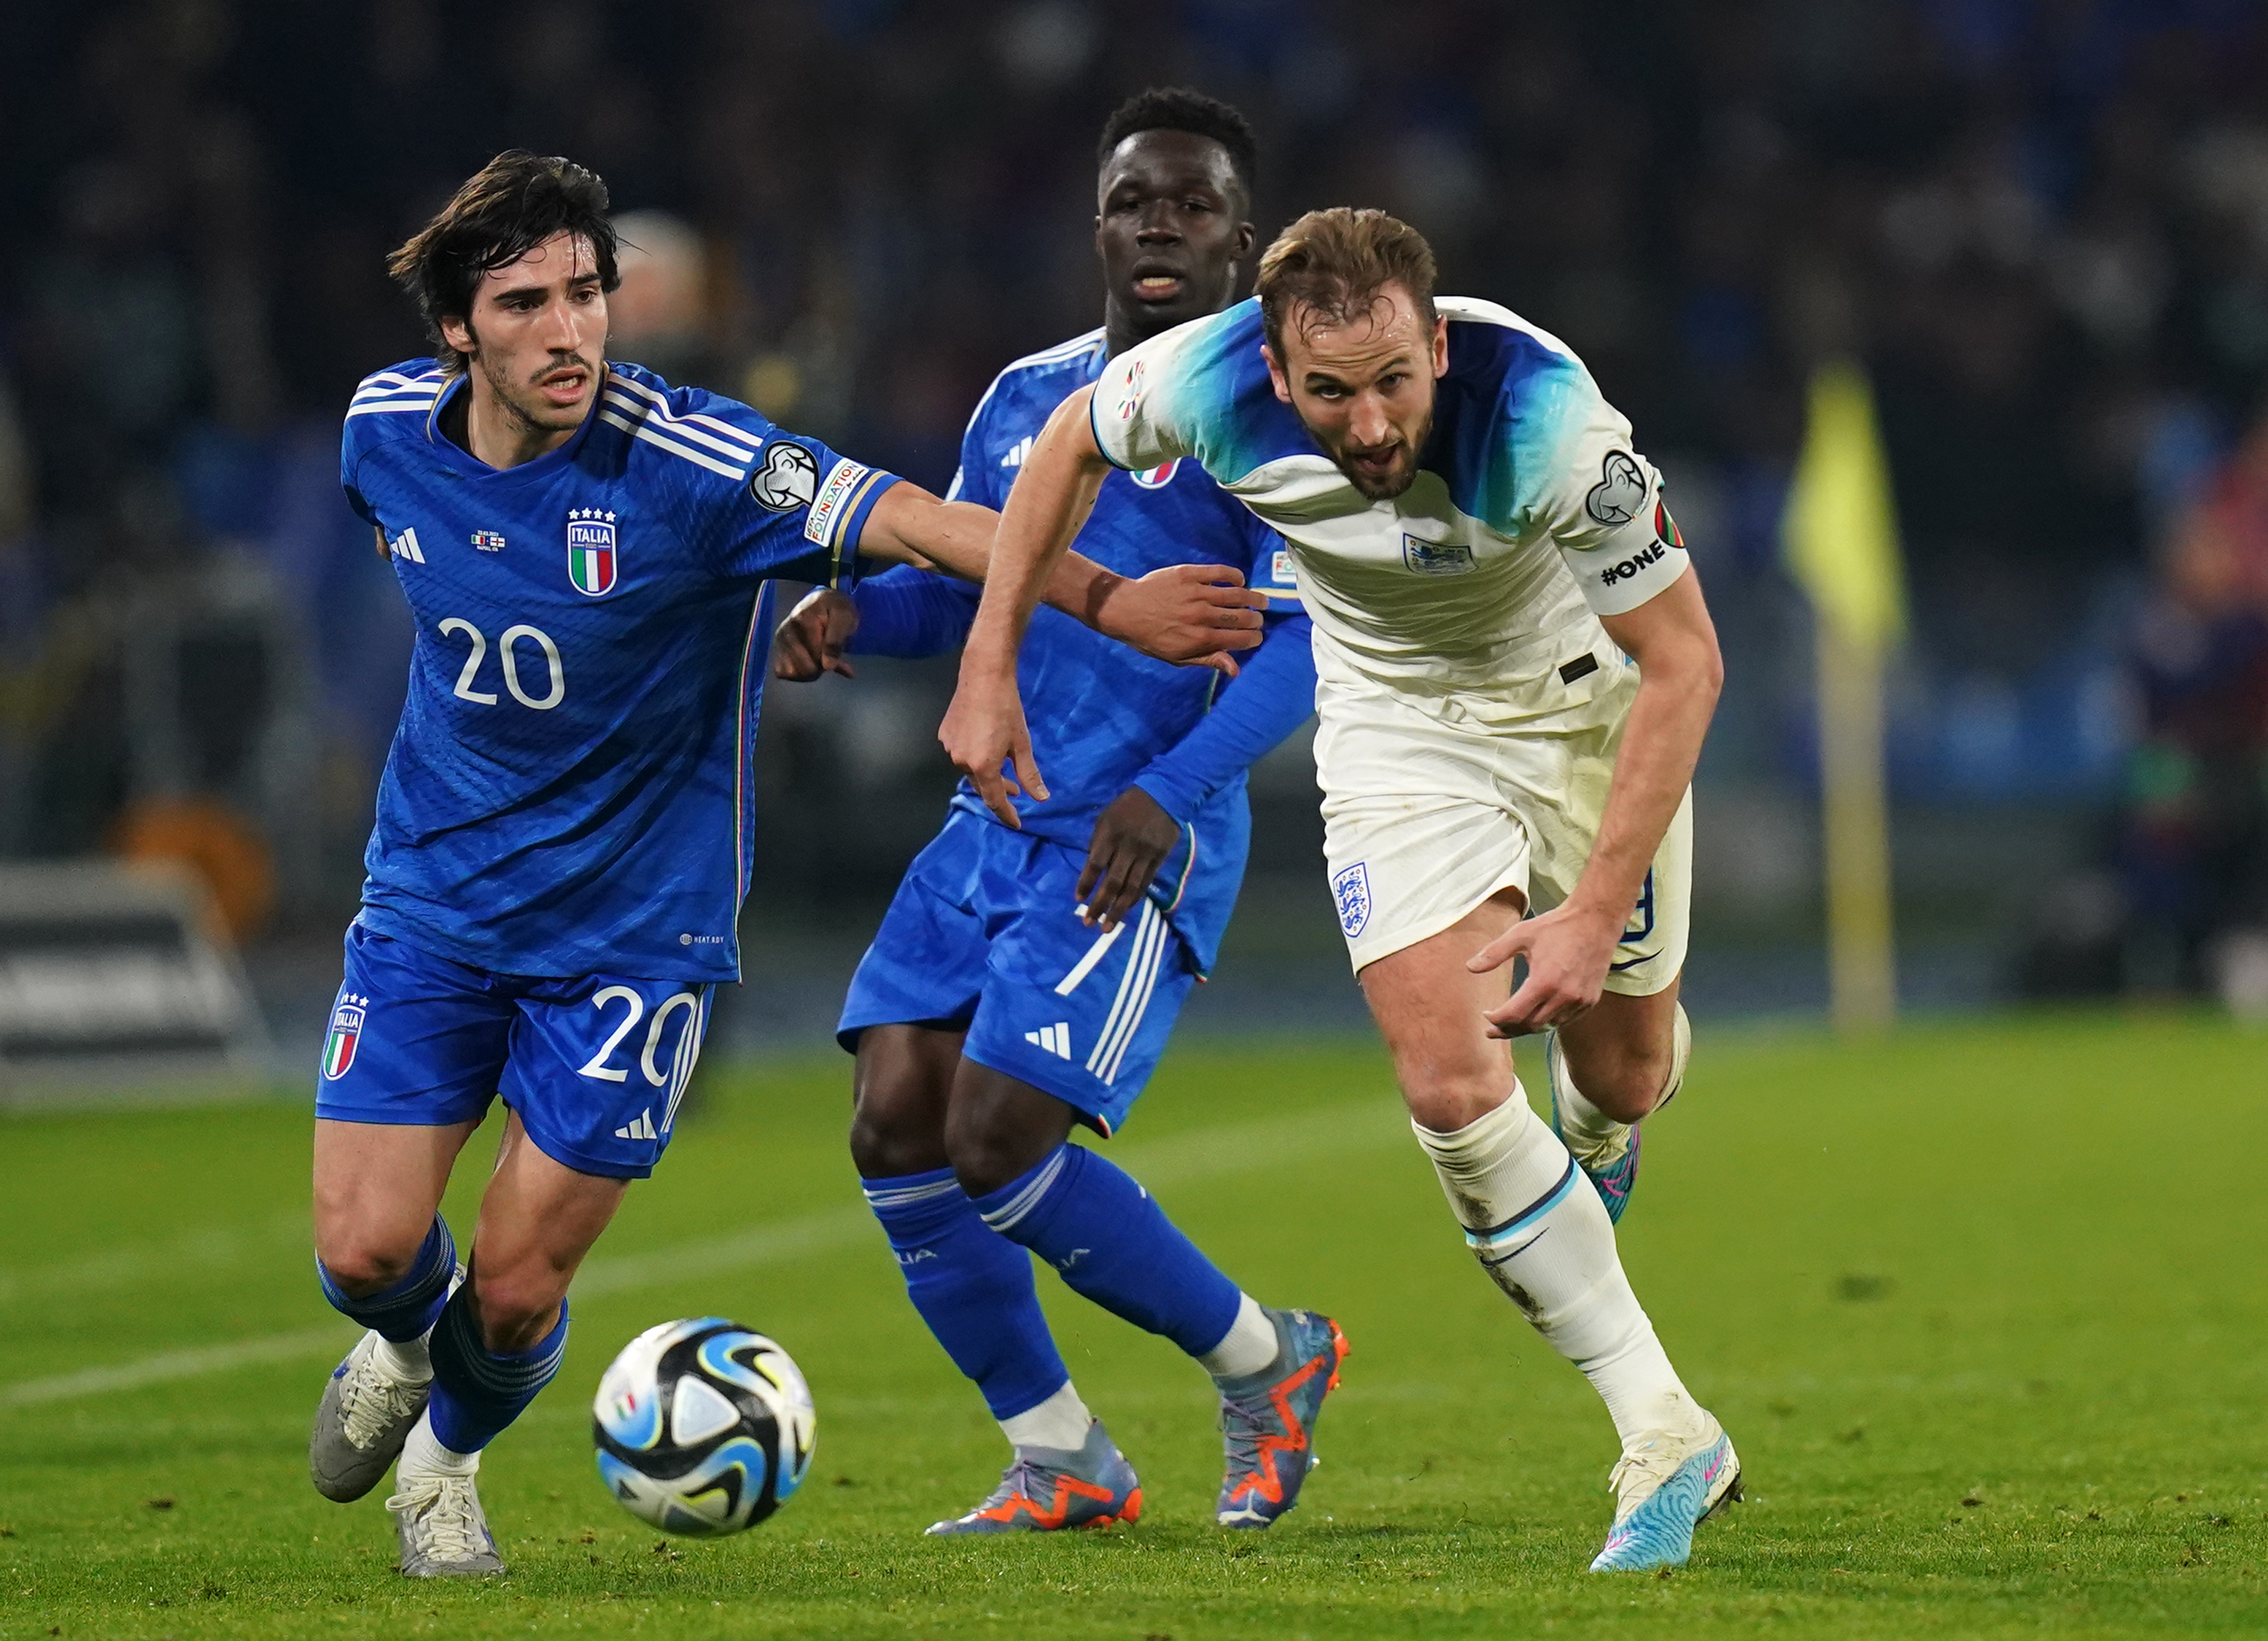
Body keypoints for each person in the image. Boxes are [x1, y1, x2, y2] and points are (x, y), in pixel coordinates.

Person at [306, 150, 1265, 1578]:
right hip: (431, 906)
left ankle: (444, 1466)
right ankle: (396, 1344)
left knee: (510, 1295)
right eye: (527, 305)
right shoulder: (382, 432)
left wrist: (1103, 596)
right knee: (368, 1253)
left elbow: (926, 526)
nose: (571, 332)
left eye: (587, 296)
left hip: (635, 942)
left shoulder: (693, 460)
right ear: (458, 329)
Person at [938, 207, 1736, 1572]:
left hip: (1579, 708)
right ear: (1270, 363)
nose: (1366, 426)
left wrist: (1596, 911)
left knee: (1619, 1069)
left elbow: (1685, 665)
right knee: (1447, 1079)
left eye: (1391, 384)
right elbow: (1068, 441)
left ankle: (1601, 1135)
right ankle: (1664, 1427)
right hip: (1392, 716)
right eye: (1327, 392)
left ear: (1435, 343)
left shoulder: (1550, 422)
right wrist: (988, 659)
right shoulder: (1199, 379)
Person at [771, 89, 1340, 1537]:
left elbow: (1297, 648)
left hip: (1133, 834)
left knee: (995, 1135)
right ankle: (1061, 1457)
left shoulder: (1270, 414)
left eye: (1193, 204)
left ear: (1243, 238)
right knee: (893, 1120)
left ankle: (1268, 1363)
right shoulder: (1023, 399)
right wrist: (857, 616)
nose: (1160, 227)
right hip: (994, 818)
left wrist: (1169, 791)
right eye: (1134, 200)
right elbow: (979, 585)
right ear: (1096, 222)